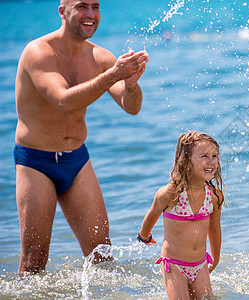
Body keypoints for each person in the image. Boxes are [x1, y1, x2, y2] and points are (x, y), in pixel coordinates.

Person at [14, 0, 149, 275]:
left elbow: (132, 107)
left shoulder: (101, 57)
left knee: (102, 256)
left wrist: (131, 84)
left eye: (96, 7)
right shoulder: (38, 52)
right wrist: (113, 75)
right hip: (36, 162)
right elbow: (64, 101)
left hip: (76, 159)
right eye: (82, 7)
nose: (91, 14)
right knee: (33, 263)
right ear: (63, 11)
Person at [137, 131, 224, 300]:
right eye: (204, 156)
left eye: (214, 156)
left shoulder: (214, 196)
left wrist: (216, 259)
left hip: (200, 265)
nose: (212, 161)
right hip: (174, 265)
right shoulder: (170, 193)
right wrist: (144, 236)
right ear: (186, 161)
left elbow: (215, 229)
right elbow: (152, 215)